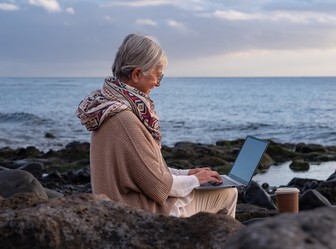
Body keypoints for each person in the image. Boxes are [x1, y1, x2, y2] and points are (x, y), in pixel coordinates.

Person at [75, 33, 237, 218]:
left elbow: (145, 171)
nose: (158, 84)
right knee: (228, 194)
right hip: (140, 214)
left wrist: (188, 173)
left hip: (118, 207)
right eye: (157, 76)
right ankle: (229, 246)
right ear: (136, 74)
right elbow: (158, 186)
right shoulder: (124, 119)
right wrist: (196, 180)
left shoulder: (106, 107)